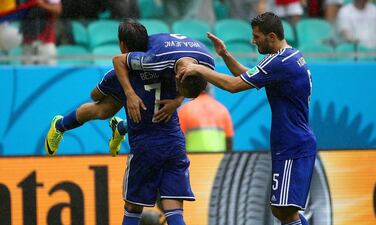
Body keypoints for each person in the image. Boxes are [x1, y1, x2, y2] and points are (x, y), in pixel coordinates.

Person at [45, 18, 214, 225]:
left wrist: (177, 101)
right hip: (167, 141)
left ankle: (120, 126)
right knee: (104, 110)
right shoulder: (159, 67)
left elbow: (192, 81)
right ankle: (61, 125)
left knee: (103, 109)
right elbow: (99, 89)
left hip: (152, 142)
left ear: (123, 45)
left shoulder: (169, 66)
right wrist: (128, 94)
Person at [177, 12, 316, 225]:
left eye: (256, 36)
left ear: (271, 36)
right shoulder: (290, 57)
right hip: (291, 142)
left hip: (293, 144)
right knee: (282, 211)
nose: (252, 41)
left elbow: (234, 86)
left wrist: (199, 69)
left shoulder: (279, 62)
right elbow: (246, 76)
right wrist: (224, 54)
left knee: (285, 210)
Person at [178, 84, 234, 152]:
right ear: (210, 90)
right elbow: (229, 140)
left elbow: (178, 140)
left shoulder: (185, 109)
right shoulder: (222, 109)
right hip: (217, 159)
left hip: (193, 159)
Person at [21, 0, 62, 64]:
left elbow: (57, 10)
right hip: (27, 42)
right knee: (27, 72)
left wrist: (41, 4)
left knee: (50, 72)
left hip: (46, 42)